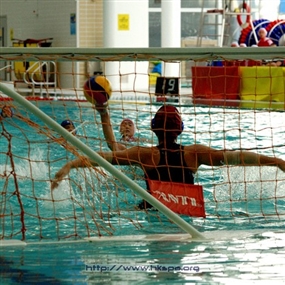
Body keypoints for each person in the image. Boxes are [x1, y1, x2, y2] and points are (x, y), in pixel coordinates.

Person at [51, 105, 285, 210]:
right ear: (181, 129)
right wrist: (275, 161)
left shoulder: (145, 154)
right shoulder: (194, 154)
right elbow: (237, 157)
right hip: (187, 213)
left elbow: (101, 158)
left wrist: (70, 165)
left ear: (152, 129)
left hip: (150, 210)